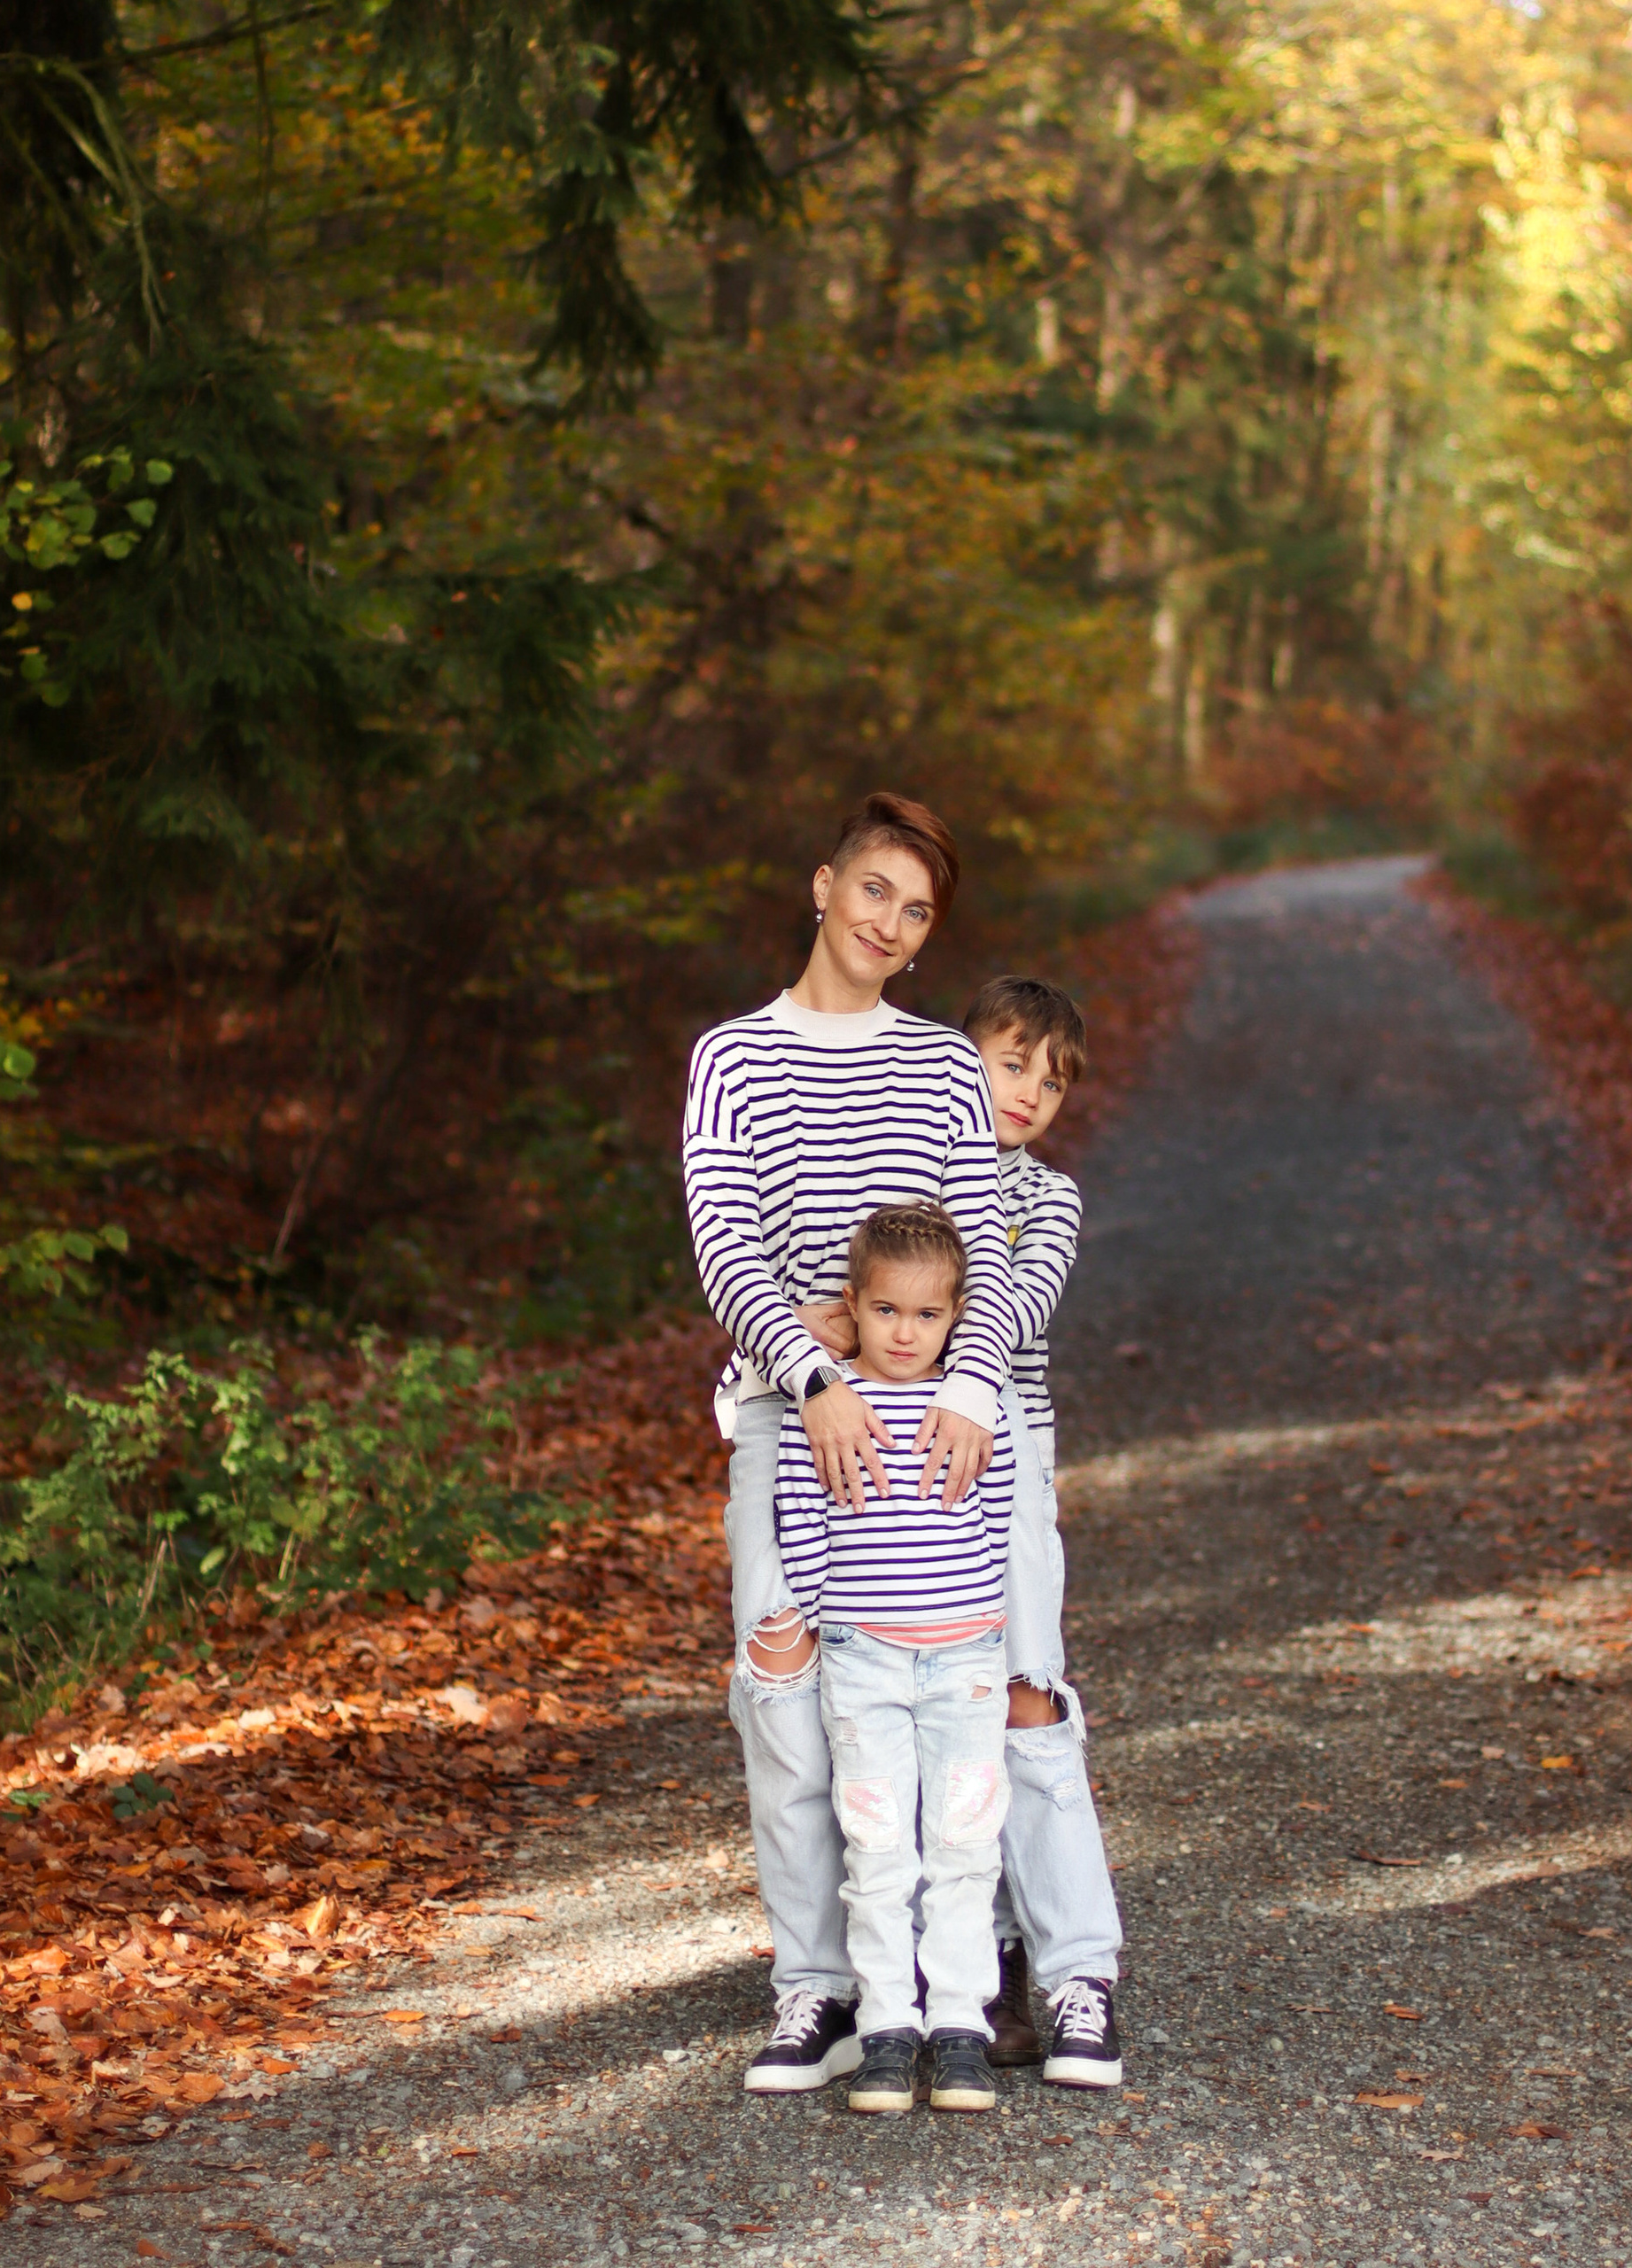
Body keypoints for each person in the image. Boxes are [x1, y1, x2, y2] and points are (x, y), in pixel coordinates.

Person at [681, 794, 1018, 2095]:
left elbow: (979, 1248)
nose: (889, 921)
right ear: (824, 886)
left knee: (943, 1699)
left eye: (917, 909)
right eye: (874, 890)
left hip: (935, 1427)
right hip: (789, 1413)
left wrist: (974, 1392)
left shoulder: (941, 1067)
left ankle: (940, 1980)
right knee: (786, 1698)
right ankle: (817, 1988)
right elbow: (726, 1243)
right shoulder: (734, 1056)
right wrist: (812, 1372)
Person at [774, 1204, 1016, 2114]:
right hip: (863, 1659)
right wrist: (824, 1623)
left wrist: (984, 1627)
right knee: (876, 1848)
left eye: (926, 1315)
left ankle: (959, 2025)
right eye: (885, 1312)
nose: (905, 1333)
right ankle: (886, 2028)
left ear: (955, 1316)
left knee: (961, 1844)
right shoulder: (829, 1402)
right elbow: (802, 1526)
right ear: (854, 1305)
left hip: (964, 1659)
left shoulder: (970, 1409)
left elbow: (993, 1522)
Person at [965, 976, 1125, 2088]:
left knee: (1025, 1694)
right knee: (924, 1712)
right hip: (889, 1462)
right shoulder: (899, 1159)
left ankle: (1076, 1969)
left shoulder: (1047, 1200)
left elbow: (1015, 1309)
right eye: (1012, 1060)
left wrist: (913, 1323)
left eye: (1052, 1078)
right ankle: (974, 1963)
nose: (1030, 1092)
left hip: (1006, 1450)